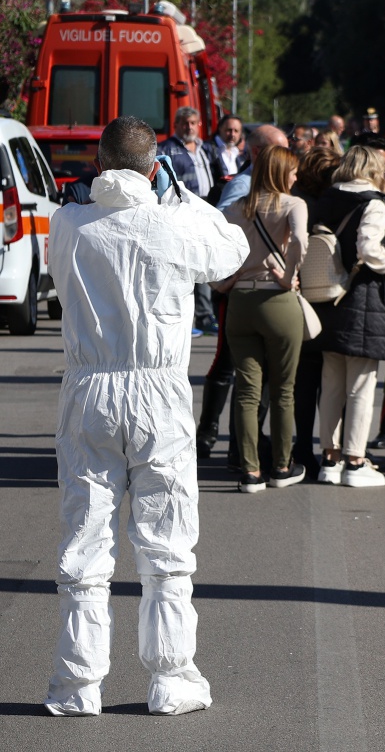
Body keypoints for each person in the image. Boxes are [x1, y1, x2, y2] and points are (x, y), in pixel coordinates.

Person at [44, 116, 249, 717]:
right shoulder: (174, 221)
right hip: (157, 390)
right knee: (167, 541)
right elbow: (230, 249)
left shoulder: (70, 223)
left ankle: (77, 686)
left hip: (90, 386)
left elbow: (60, 261)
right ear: (155, 165)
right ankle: (171, 678)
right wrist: (180, 192)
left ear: (99, 165)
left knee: (85, 539)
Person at [195, 124, 289, 462]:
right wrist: (231, 277)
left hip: (259, 289)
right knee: (226, 363)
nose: (288, 155)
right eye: (281, 149)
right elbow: (221, 229)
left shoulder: (275, 185)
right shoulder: (243, 184)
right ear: (260, 153)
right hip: (237, 289)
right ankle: (207, 433)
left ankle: (242, 441)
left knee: (251, 371)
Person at [314, 146, 385, 487]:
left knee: (332, 382)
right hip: (361, 296)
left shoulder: (326, 199)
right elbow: (368, 247)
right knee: (361, 386)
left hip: (325, 296)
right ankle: (355, 460)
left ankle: (329, 459)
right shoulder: (374, 204)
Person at [223, 145, 309, 493]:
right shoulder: (293, 204)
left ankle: (250, 472)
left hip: (241, 298)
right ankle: (282, 466)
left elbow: (217, 249)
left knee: (246, 391)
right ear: (280, 173)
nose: (296, 176)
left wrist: (223, 283)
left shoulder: (234, 209)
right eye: (292, 171)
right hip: (277, 299)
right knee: (283, 391)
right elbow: (301, 240)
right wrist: (289, 276)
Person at [291, 146, 342, 477]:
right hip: (335, 299)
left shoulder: (297, 202)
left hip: (302, 298)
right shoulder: (338, 205)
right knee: (335, 382)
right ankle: (332, 451)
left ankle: (302, 448)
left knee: (303, 382)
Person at [158, 106, 218, 333]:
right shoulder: (167, 149)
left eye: (193, 123)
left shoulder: (206, 149)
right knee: (183, 266)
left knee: (204, 263)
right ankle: (188, 318)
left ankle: (204, 315)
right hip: (182, 213)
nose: (189, 127)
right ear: (176, 125)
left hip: (207, 211)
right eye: (184, 123)